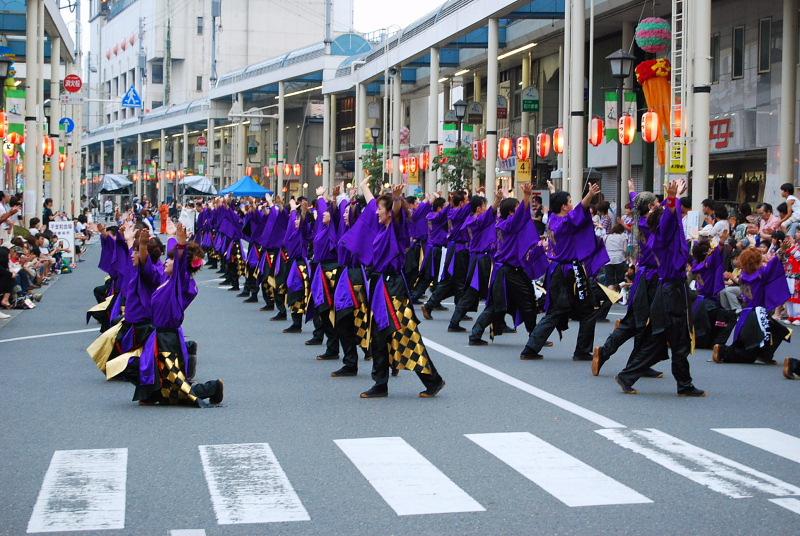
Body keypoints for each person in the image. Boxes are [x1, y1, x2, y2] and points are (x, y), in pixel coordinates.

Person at [614, 180, 705, 397]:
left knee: (659, 339)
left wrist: (636, 191)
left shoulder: (657, 237)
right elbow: (669, 219)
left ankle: (629, 375)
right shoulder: (664, 236)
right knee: (679, 339)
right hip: (672, 290)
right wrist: (673, 197)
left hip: (669, 289)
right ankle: (684, 384)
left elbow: (660, 215)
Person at [360, 184, 445, 399]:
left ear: (390, 213)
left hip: (394, 289)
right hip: (382, 287)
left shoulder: (395, 231)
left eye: (382, 209)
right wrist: (364, 188)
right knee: (379, 337)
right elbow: (372, 205)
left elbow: (398, 217)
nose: (377, 211)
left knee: (406, 335)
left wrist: (397, 199)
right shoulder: (381, 227)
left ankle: (432, 380)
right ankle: (380, 384)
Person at [133, 223, 224, 406]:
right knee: (158, 380)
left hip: (169, 338)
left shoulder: (182, 284)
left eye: (171, 260)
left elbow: (182, 268)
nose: (166, 261)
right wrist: (143, 246)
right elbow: (147, 268)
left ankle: (213, 387)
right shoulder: (165, 279)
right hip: (158, 335)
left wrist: (182, 243)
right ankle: (151, 394)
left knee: (176, 389)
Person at [520, 182, 609, 361]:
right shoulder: (563, 223)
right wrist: (589, 195)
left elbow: (573, 212)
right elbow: (579, 211)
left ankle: (532, 347)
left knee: (558, 311)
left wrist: (554, 191)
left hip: (559, 270)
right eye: (569, 201)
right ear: (563, 206)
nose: (571, 204)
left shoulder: (552, 218)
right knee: (585, 311)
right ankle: (580, 351)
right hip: (569, 272)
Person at [468, 185, 544, 346]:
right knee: (516, 304)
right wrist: (526, 196)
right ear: (511, 213)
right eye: (517, 208)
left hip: (509, 269)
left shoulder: (501, 223)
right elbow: (520, 218)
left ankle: (535, 336)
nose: (521, 211)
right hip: (507, 271)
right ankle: (535, 338)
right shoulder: (508, 224)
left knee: (523, 302)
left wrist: (498, 200)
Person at [712, 247, 791, 365]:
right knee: (752, 351)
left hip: (745, 313)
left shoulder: (743, 275)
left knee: (776, 330)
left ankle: (764, 354)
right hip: (758, 314)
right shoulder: (760, 275)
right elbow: (772, 265)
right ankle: (724, 352)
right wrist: (780, 253)